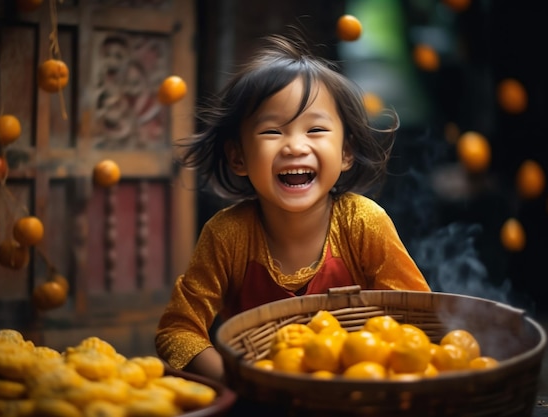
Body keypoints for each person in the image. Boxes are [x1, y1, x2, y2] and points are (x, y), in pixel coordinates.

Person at [155, 30, 430, 383]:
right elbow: (177, 331)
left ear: (346, 152)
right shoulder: (227, 235)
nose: (295, 147)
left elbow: (417, 320)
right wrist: (241, 381)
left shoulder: (364, 223)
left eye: (315, 130)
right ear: (238, 156)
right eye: (272, 132)